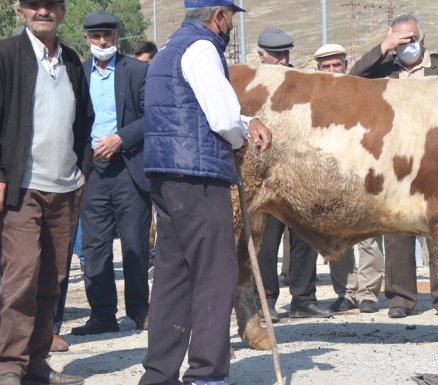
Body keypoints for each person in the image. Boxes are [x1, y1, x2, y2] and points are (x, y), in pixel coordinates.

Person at [139, 1, 272, 384]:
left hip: (168, 174)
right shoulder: (202, 47)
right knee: (216, 273)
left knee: (173, 278)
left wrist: (245, 122)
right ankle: (207, 373)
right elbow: (222, 117)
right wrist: (241, 134)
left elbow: (190, 107)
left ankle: (159, 374)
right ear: (218, 16)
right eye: (230, 17)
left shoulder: (170, 48)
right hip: (198, 175)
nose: (230, 25)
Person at [0, 0, 93, 383]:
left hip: (64, 188)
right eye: (34, 5)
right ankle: (10, 367)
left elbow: (83, 120)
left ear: (63, 12)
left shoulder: (71, 59)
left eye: (50, 5)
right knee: (21, 278)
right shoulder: (4, 55)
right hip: (21, 188)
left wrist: (82, 170)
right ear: (20, 11)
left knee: (50, 282)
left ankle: (37, 364)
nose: (42, 11)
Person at [350, 14, 438, 319]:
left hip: (437, 161)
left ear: (423, 39)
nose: (408, 45)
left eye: (412, 38)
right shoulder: (383, 71)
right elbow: (352, 77)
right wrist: (384, 47)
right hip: (397, 162)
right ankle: (400, 298)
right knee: (397, 232)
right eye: (401, 39)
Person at [70, 11, 152, 337]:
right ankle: (102, 314)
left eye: (107, 35)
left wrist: (122, 138)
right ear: (86, 38)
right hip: (92, 172)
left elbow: (152, 117)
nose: (102, 41)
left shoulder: (138, 71)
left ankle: (140, 311)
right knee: (94, 246)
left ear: (117, 36)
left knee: (134, 245)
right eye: (95, 36)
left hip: (129, 168)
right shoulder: (77, 74)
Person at [254, 27, 333, 322]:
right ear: (260, 55)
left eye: (286, 53)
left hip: (301, 173)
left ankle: (303, 299)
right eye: (276, 54)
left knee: (304, 239)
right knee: (266, 243)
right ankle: (266, 301)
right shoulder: (255, 87)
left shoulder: (300, 83)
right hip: (268, 174)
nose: (282, 59)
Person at [312, 43, 384, 314]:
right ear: (318, 69)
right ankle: (346, 292)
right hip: (331, 173)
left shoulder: (362, 92)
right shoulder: (315, 100)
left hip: (363, 170)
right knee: (337, 233)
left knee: (369, 235)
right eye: (326, 66)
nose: (332, 70)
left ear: (346, 64)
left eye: (336, 65)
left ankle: (369, 293)